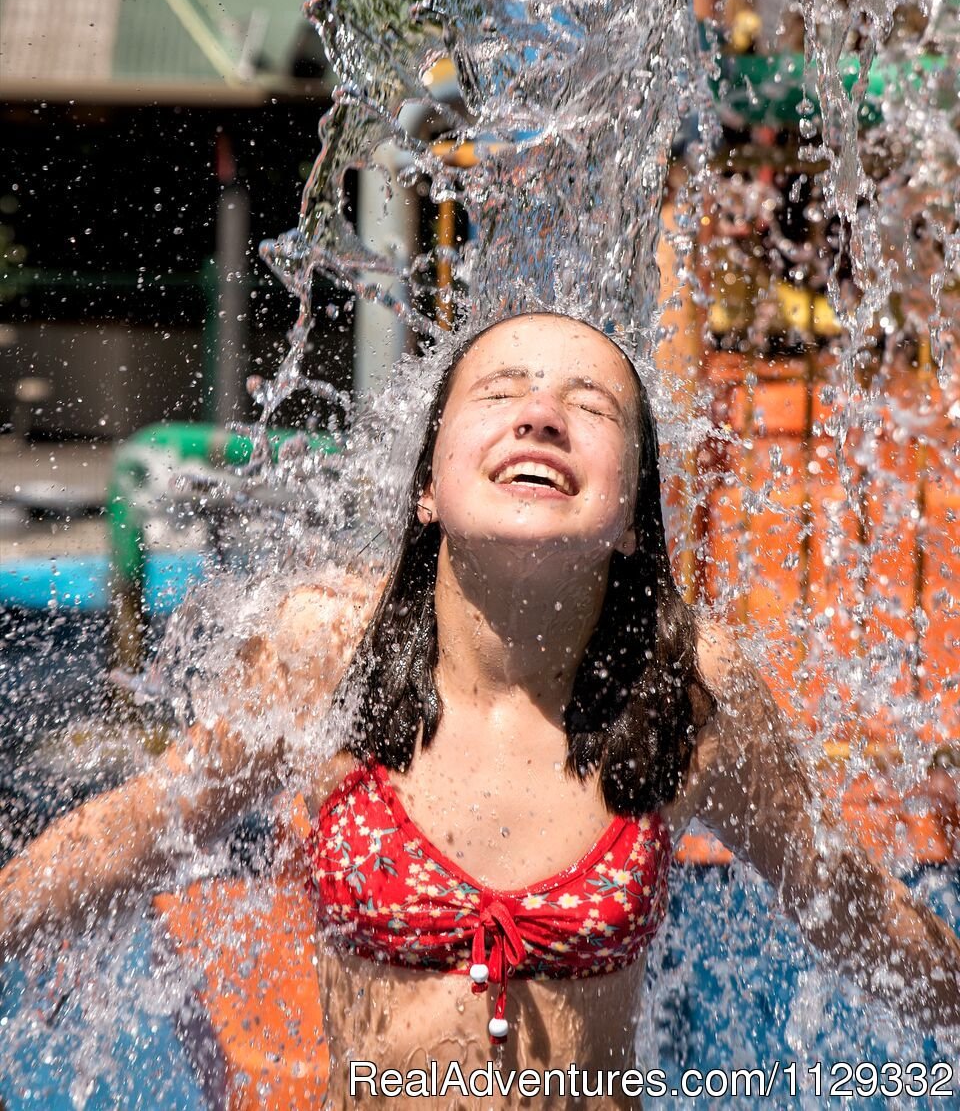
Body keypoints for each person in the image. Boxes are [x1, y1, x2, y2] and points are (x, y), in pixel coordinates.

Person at [1, 312, 958, 1110]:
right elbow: (145, 826)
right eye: (498, 395)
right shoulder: (322, 656)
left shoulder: (688, 698)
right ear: (426, 486)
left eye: (589, 407)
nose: (540, 414)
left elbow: (862, 918)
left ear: (632, 514)